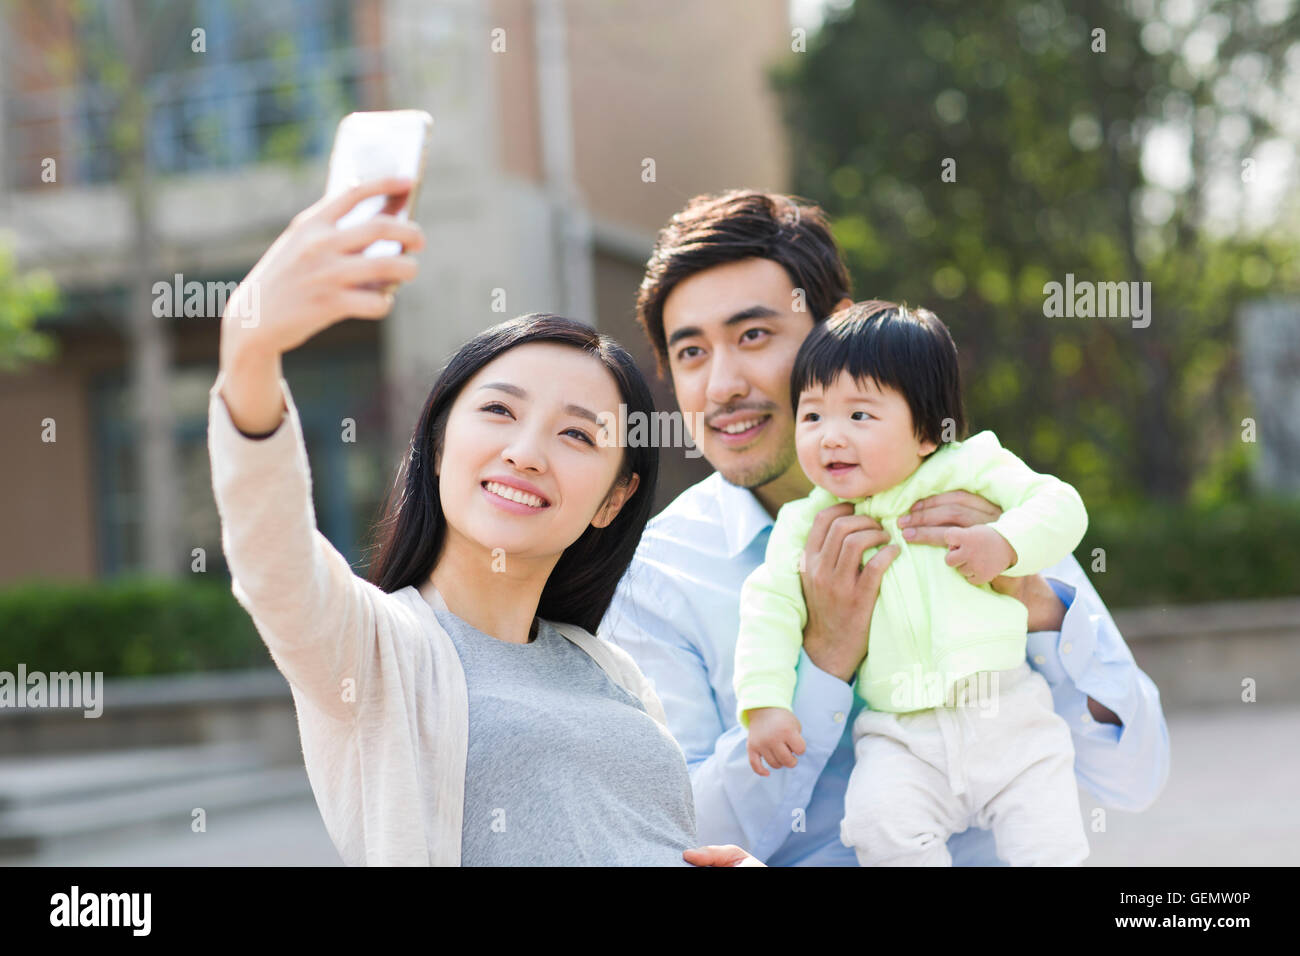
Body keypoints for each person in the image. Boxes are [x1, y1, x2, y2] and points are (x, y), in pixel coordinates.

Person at [598, 189, 1170, 866]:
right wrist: (824, 660)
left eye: (754, 335)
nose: (721, 385)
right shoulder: (656, 579)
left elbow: (1135, 777)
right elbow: (682, 837)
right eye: (690, 353)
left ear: (836, 329)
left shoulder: (976, 494)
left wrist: (1038, 604)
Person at [208, 175, 759, 866]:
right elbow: (273, 558)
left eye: (578, 436)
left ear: (614, 500)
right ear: (439, 445)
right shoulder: (375, 652)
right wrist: (250, 351)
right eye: (499, 411)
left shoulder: (609, 669)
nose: (525, 453)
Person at [735, 300, 1091, 865]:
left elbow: (1060, 504)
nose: (830, 437)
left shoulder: (970, 468)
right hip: (900, 733)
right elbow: (768, 606)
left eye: (859, 416)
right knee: (878, 828)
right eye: (812, 416)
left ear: (927, 431)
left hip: (1007, 713)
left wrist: (1005, 543)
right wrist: (766, 703)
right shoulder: (806, 523)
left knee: (1049, 842)